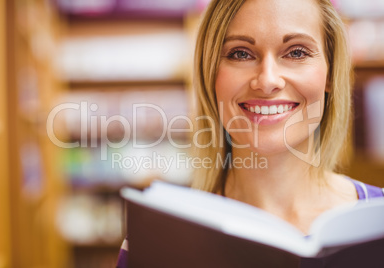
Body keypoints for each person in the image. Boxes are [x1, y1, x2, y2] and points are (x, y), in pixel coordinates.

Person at [116, 0, 384, 267]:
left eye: (296, 52)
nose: (267, 81)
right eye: (241, 54)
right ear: (211, 75)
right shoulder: (157, 239)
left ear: (329, 73)